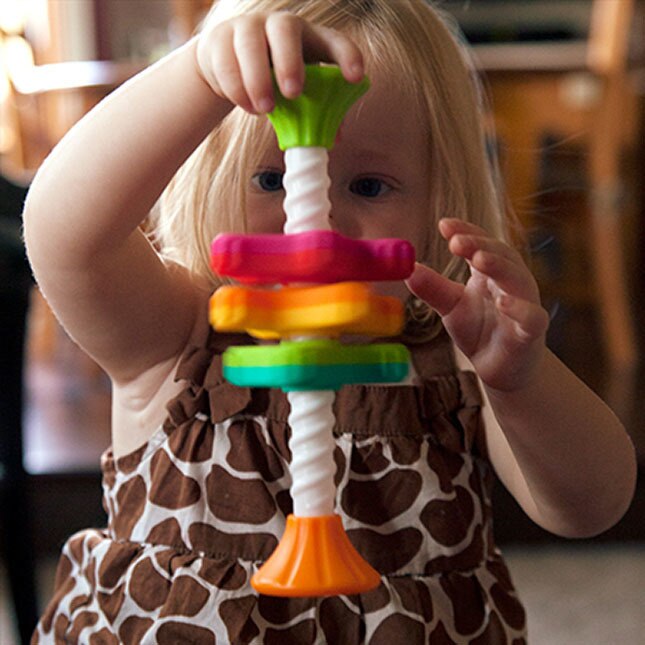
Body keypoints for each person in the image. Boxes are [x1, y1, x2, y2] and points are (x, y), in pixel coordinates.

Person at [24, 0, 636, 643]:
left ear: (438, 199)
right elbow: (67, 235)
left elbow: (592, 506)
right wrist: (199, 78)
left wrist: (522, 380)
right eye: (270, 176)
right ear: (208, 176)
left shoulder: (456, 354)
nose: (314, 217)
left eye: (370, 187)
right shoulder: (175, 337)